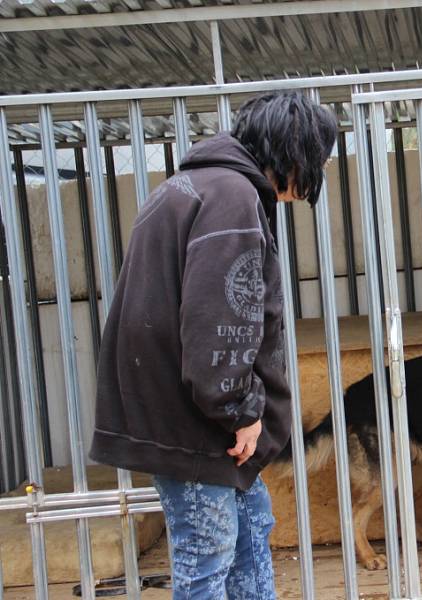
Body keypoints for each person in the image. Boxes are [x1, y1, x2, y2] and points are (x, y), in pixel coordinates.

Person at [90, 91, 337, 599]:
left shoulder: (194, 186)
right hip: (198, 421)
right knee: (209, 549)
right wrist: (240, 408)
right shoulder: (231, 197)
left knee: (249, 529)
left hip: (185, 410)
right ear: (294, 151)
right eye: (317, 160)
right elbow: (219, 317)